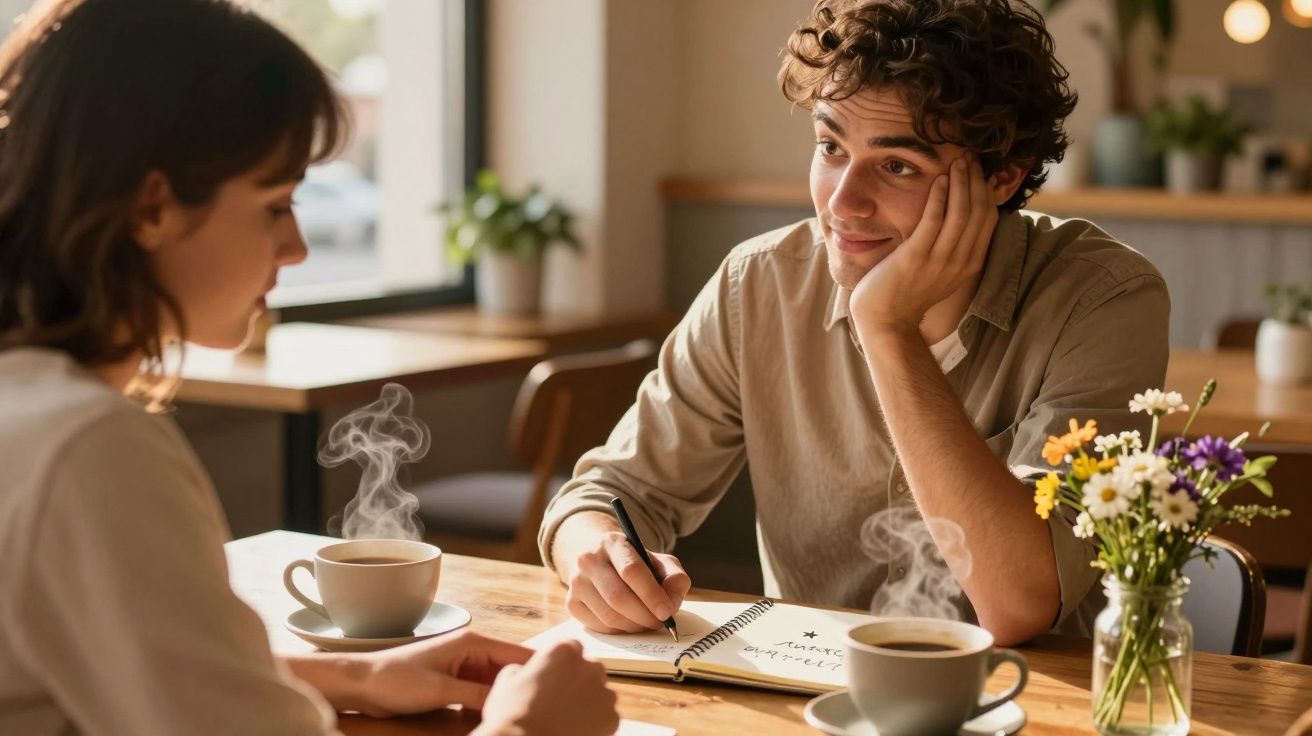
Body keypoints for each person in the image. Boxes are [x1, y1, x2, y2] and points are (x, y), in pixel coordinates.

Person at [0, 1, 618, 734]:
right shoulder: (89, 450)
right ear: (151, 207)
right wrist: (528, 728)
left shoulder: (32, 413)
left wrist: (355, 672)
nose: (296, 249)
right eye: (274, 204)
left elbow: (114, 668)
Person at [540, 0, 1170, 646]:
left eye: (897, 166)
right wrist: (597, 553)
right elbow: (609, 492)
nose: (842, 202)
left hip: (1032, 703)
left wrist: (886, 327)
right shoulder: (758, 285)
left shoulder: (1105, 299)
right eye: (830, 147)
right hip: (807, 700)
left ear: (1002, 177)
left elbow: (1018, 603)